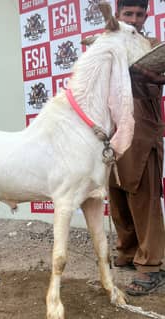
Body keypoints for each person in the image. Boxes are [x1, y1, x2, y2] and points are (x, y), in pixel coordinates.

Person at [109, 0, 165, 296]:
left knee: (144, 196)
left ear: (146, 16)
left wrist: (145, 75)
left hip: (143, 128)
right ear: (117, 16)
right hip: (113, 129)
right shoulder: (107, 43)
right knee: (116, 193)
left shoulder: (154, 45)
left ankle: (151, 265)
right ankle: (128, 251)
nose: (134, 19)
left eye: (139, 14)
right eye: (128, 14)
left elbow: (161, 77)